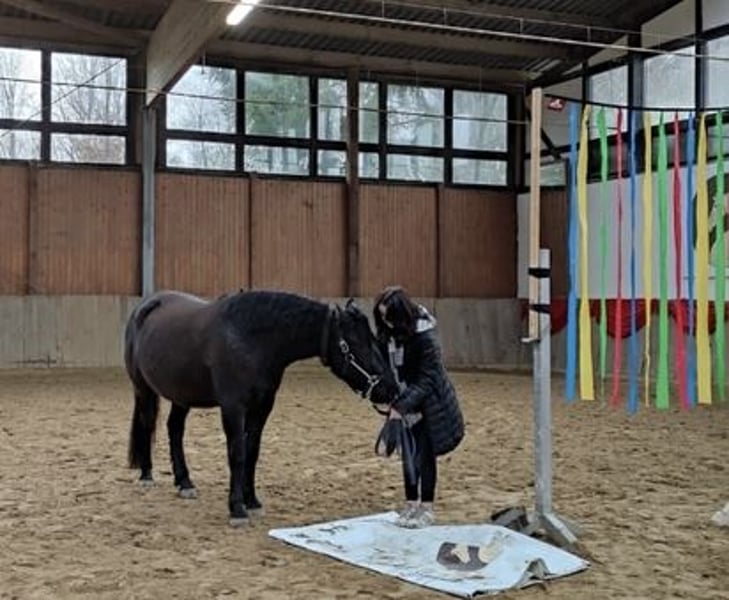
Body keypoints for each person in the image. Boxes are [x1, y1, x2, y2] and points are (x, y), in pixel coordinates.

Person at [372, 286, 465, 528]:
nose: (386, 322)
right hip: (403, 402)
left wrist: (401, 407)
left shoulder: (425, 338)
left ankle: (427, 508)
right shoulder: (386, 335)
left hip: (429, 405)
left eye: (389, 317)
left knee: (424, 454)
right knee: (408, 455)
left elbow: (427, 379)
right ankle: (411, 503)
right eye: (382, 317)